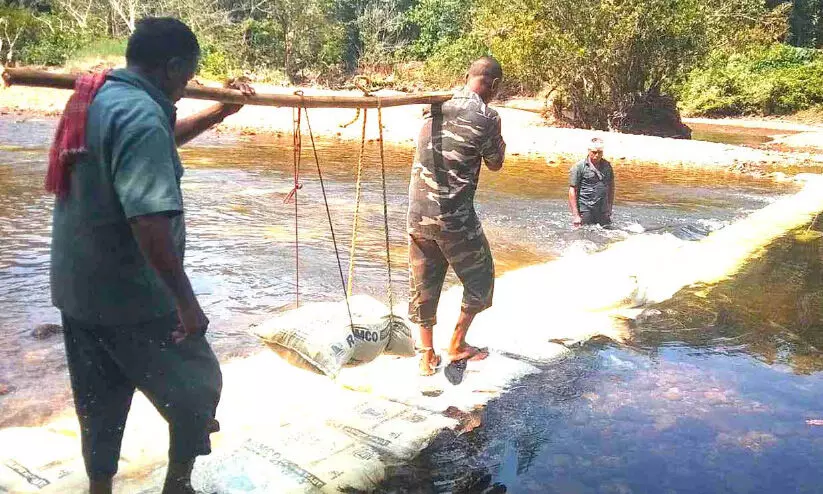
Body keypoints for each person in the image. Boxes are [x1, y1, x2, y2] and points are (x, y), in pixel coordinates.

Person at [49, 17, 254, 494]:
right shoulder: (140, 116)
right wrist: (187, 302)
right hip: (132, 296)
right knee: (198, 386)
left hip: (78, 291)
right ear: (172, 66)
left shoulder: (101, 98)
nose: (186, 87)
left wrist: (221, 112)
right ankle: (178, 484)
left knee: (98, 399)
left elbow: (159, 140)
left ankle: (100, 486)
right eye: (186, 76)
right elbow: (149, 223)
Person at [407, 56, 506, 377]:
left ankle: (425, 357)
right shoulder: (487, 116)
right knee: (481, 281)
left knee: (425, 283)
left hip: (417, 215)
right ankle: (457, 344)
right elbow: (495, 163)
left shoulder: (433, 106)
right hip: (454, 218)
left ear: (467, 76)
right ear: (493, 85)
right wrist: (495, 134)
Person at [568, 137, 615, 227]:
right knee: (584, 235)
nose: (597, 155)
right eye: (594, 152)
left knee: (607, 233)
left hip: (602, 209)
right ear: (589, 151)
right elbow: (572, 190)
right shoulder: (579, 167)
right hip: (585, 208)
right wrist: (576, 215)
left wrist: (609, 207)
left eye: (600, 152)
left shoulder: (607, 166)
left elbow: (611, 186)